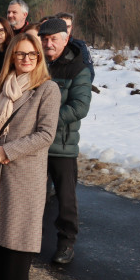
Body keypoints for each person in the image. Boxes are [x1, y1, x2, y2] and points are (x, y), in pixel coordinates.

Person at [0, 32, 59, 280]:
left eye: (31, 55)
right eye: (20, 54)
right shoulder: (2, 87)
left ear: (39, 58)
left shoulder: (47, 90)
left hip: (23, 173)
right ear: (11, 56)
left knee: (16, 239)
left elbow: (46, 135)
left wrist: (7, 151)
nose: (25, 59)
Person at [39, 17, 92, 264]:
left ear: (65, 39)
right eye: (45, 39)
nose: (48, 44)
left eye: (53, 39)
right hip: (35, 144)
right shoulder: (36, 64)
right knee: (32, 194)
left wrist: (45, 123)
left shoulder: (78, 68)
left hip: (62, 144)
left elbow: (79, 107)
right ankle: (27, 241)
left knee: (65, 197)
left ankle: (66, 242)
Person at [55, 12, 95, 80]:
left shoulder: (80, 46)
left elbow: (89, 73)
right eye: (63, 26)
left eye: (68, 26)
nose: (66, 30)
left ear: (71, 27)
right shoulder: (48, 45)